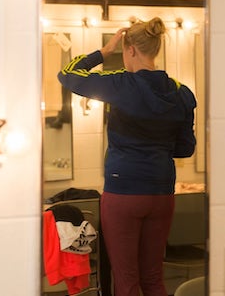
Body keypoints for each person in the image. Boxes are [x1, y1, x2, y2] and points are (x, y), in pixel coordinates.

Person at [57, 17, 196, 296]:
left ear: (130, 49)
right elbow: (185, 149)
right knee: (154, 278)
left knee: (127, 281)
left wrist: (103, 52)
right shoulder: (181, 92)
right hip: (161, 193)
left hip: (124, 192)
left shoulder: (122, 84)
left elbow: (67, 74)